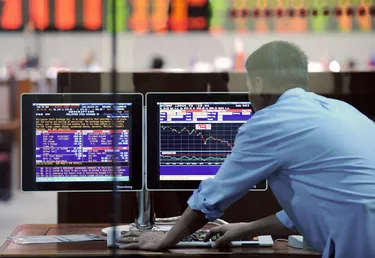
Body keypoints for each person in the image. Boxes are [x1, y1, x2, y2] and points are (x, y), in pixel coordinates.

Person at [118, 41, 375, 258]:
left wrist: (163, 241)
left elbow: (213, 197)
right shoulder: (342, 109)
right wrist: (248, 227)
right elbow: (323, 203)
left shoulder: (271, 121)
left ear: (259, 82)